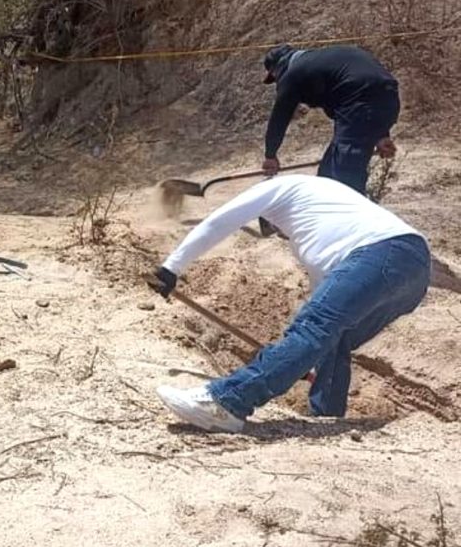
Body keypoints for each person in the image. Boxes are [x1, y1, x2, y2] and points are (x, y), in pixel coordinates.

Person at [150, 174, 429, 432]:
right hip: (415, 267)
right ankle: (326, 418)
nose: (277, 234)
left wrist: (171, 268)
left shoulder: (277, 188)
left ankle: (227, 402)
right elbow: (326, 306)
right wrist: (298, 361)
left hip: (381, 252)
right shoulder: (324, 209)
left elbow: (220, 221)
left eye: (270, 227)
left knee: (314, 328)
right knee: (332, 337)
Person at [261, 44, 400, 195]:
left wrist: (270, 155)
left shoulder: (292, 74)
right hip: (390, 97)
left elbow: (279, 118)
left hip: (358, 106)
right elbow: (368, 85)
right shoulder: (321, 62)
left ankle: (350, 214)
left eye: (274, 79)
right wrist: (381, 134)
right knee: (328, 174)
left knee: (342, 174)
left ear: (277, 69)